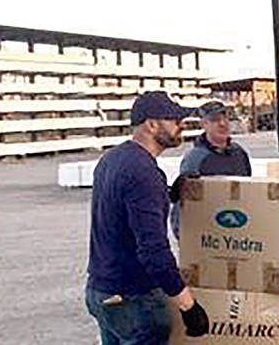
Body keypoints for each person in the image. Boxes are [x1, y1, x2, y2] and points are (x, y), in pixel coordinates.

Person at [85, 91, 209, 344]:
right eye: (174, 120)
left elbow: (121, 210)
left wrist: (169, 193)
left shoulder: (112, 159)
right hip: (134, 300)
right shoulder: (144, 172)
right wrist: (187, 305)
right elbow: (153, 250)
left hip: (102, 292)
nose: (181, 126)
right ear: (151, 125)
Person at [169, 100, 251, 239]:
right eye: (215, 120)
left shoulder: (239, 154)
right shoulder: (195, 159)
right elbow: (181, 206)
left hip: (237, 233)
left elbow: (249, 193)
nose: (223, 124)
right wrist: (185, 239)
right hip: (208, 238)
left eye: (225, 118)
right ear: (203, 124)